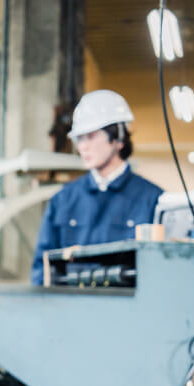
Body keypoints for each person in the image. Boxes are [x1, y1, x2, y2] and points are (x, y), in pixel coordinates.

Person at [31, 89, 163, 284]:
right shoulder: (63, 200)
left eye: (91, 136)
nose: (82, 146)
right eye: (79, 138)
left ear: (118, 138)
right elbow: (41, 271)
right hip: (71, 311)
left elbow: (163, 272)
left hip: (129, 313)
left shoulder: (152, 201)